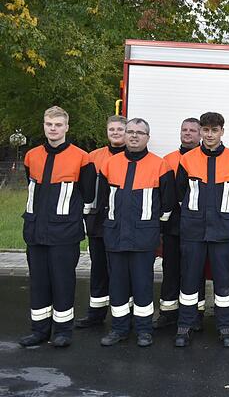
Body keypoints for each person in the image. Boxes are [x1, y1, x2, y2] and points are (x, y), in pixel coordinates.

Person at [19, 106, 96, 348]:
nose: (53, 129)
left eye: (58, 125)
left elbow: (87, 193)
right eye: (49, 124)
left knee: (63, 281)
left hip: (65, 232)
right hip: (35, 231)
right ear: (44, 126)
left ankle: (63, 331)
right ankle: (39, 330)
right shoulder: (31, 155)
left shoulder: (82, 158)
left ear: (66, 127)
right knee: (39, 282)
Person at [98, 118, 175, 347]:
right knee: (118, 285)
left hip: (144, 237)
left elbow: (168, 205)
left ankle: (143, 329)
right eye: (130, 132)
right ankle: (119, 328)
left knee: (143, 284)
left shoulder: (160, 165)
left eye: (139, 133)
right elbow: (104, 201)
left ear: (147, 138)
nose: (133, 136)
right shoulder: (110, 164)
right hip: (115, 235)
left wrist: (153, 227)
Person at [174, 112, 229, 348]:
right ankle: (185, 325)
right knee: (189, 279)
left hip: (224, 231)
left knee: (224, 282)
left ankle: (225, 327)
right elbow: (180, 192)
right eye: (205, 130)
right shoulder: (187, 159)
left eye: (214, 130)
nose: (209, 134)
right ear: (201, 131)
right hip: (193, 230)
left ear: (222, 131)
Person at [154, 118, 206, 330]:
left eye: (193, 130)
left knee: (195, 271)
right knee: (171, 269)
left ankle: (196, 315)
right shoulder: (168, 159)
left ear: (201, 134)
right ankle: (168, 313)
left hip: (196, 227)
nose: (188, 133)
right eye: (184, 130)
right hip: (173, 227)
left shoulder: (205, 159)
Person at [76, 115, 126, 329]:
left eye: (120, 129)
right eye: (112, 129)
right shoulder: (93, 157)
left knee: (121, 271)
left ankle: (124, 315)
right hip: (97, 222)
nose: (115, 133)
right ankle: (95, 314)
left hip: (122, 223)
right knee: (98, 269)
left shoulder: (133, 157)